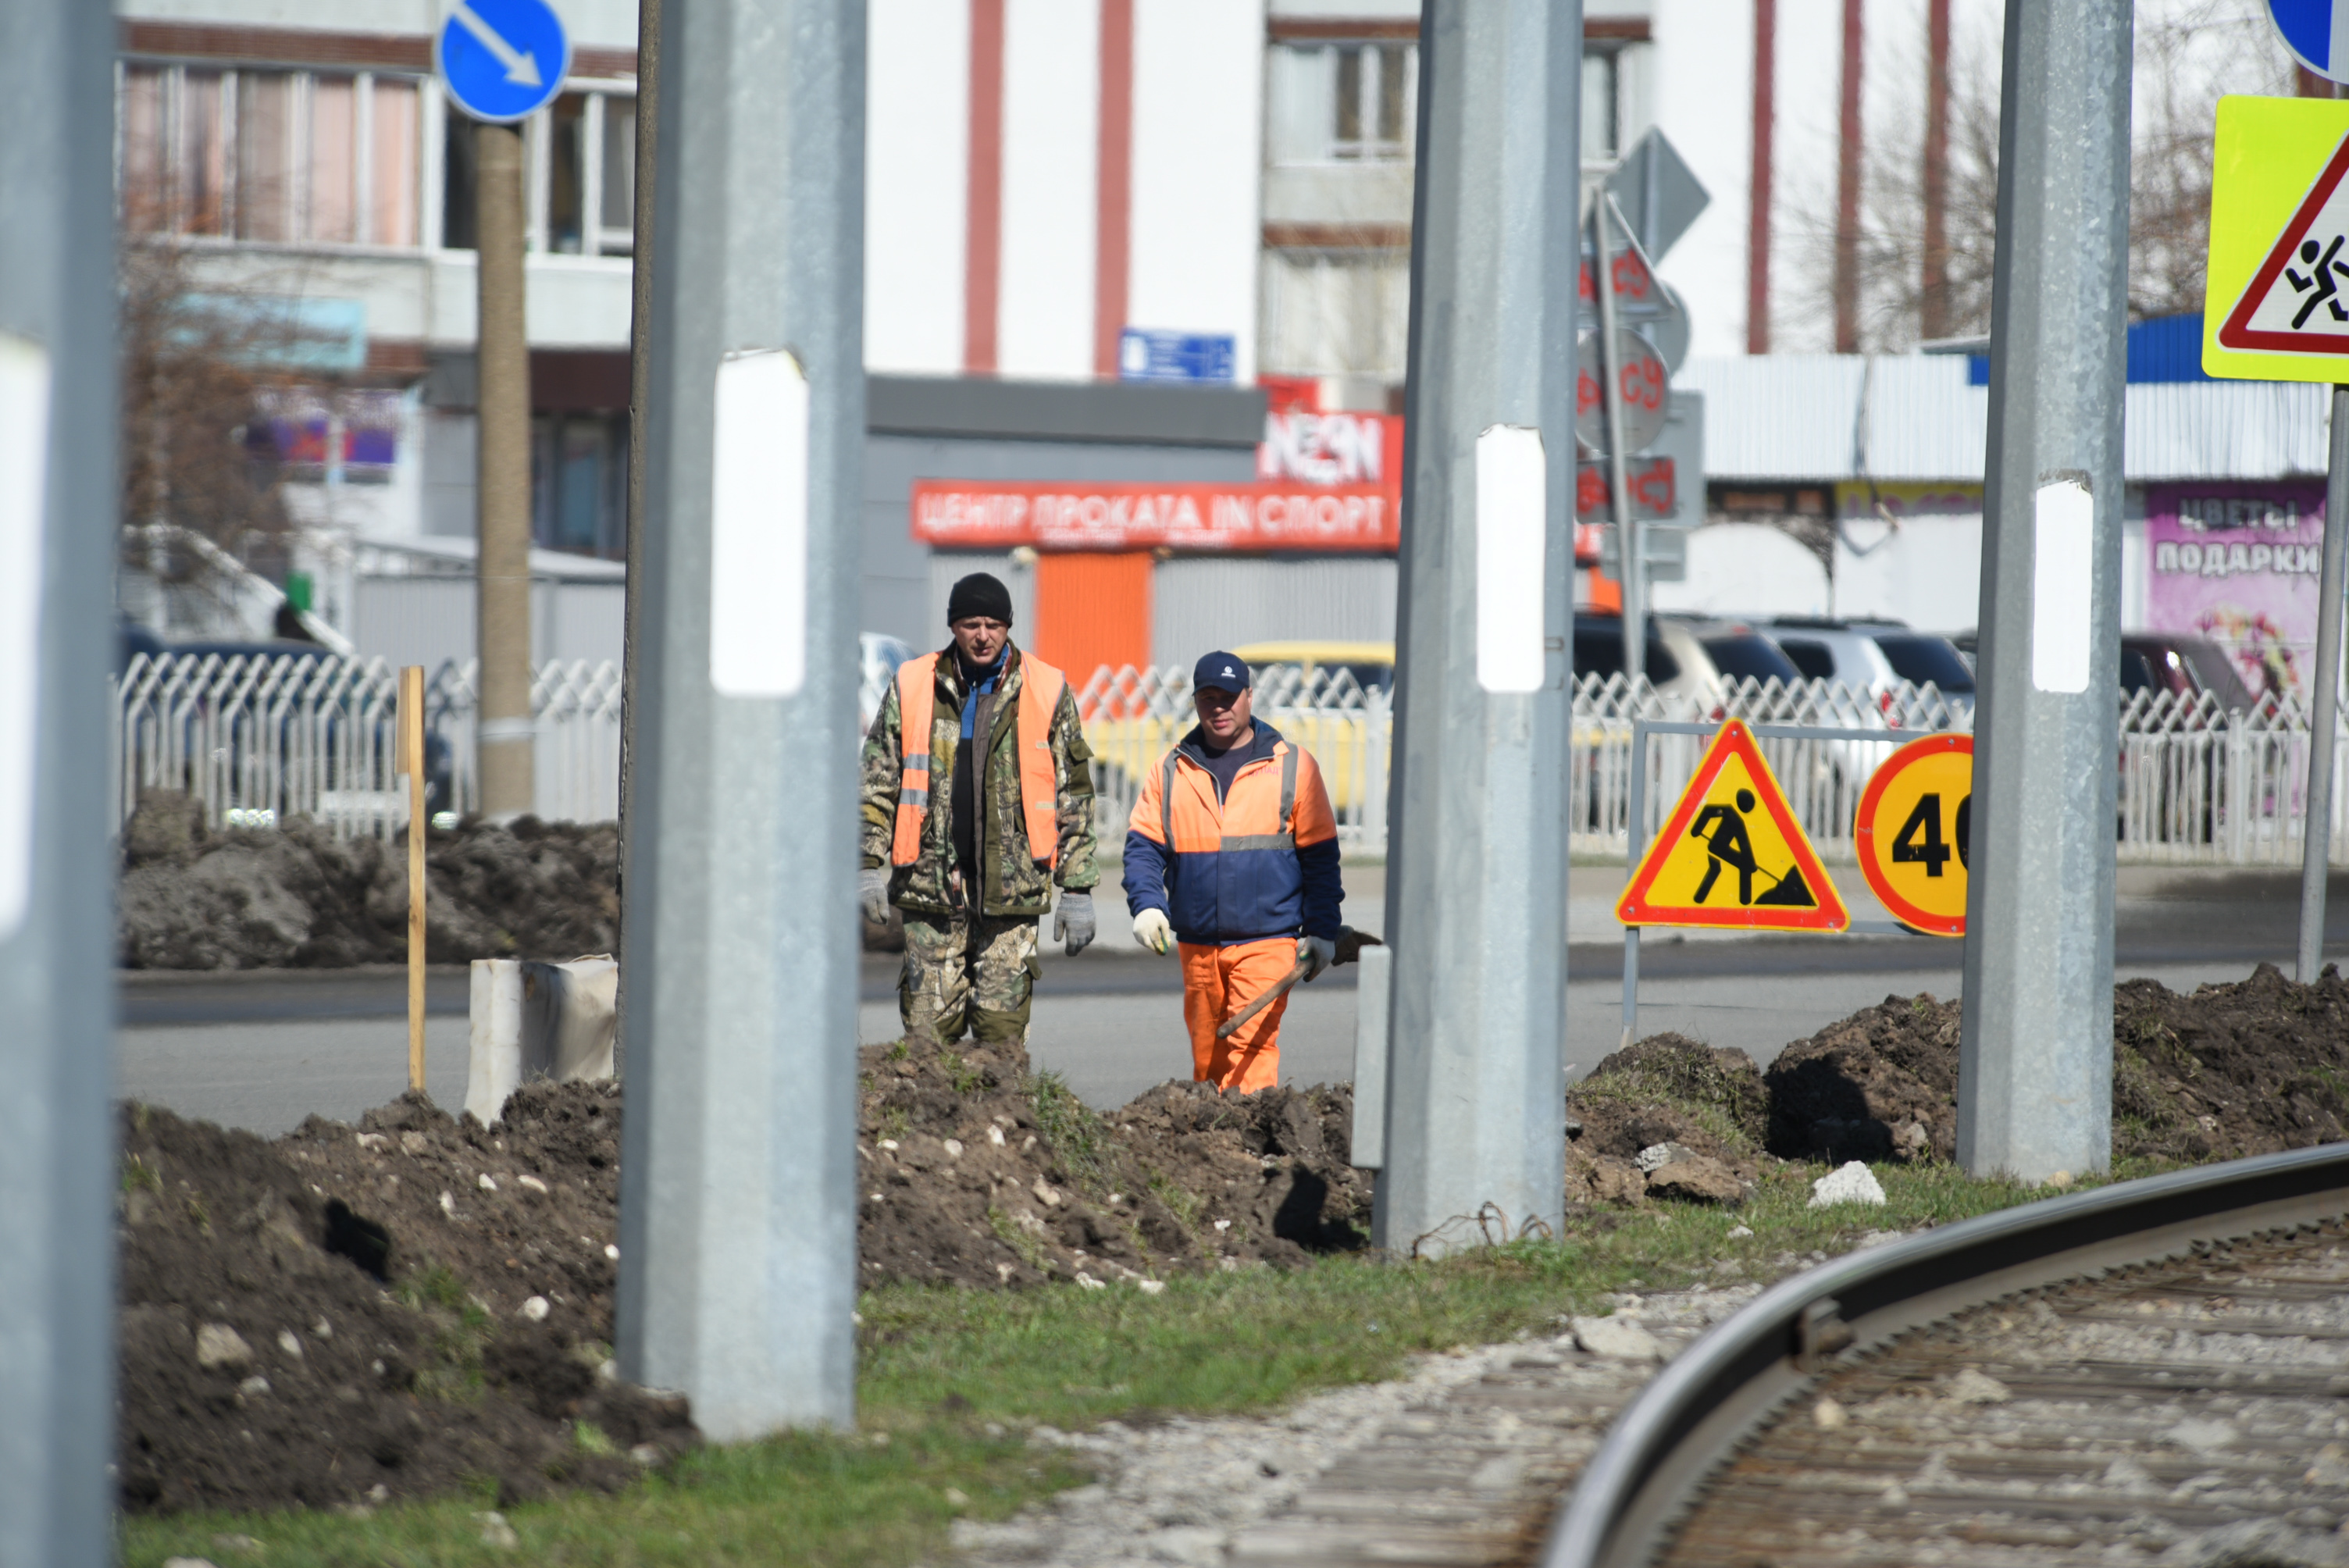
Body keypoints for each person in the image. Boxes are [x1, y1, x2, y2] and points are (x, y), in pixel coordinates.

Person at [859, 572, 1099, 1047]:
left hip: (1012, 893)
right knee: (928, 1043)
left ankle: (1001, 1124)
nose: (983, 635)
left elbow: (1073, 793)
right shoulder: (913, 684)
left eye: (993, 623)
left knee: (1002, 1039)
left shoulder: (1047, 689)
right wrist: (866, 862)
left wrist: (1078, 886)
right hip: (931, 891)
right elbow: (879, 780)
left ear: (1008, 627)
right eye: (971, 623)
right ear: (953, 626)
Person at [1121, 652, 1342, 1093]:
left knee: (1251, 1057)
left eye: (1229, 697)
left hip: (1268, 942)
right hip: (1198, 947)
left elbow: (1320, 858)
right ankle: (1216, 1156)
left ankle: (1251, 1153)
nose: (1219, 707)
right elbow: (1144, 847)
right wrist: (1147, 906)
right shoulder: (1172, 769)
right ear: (1197, 702)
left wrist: (1322, 930)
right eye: (1208, 698)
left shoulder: (1293, 767)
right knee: (1209, 1061)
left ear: (1249, 697)